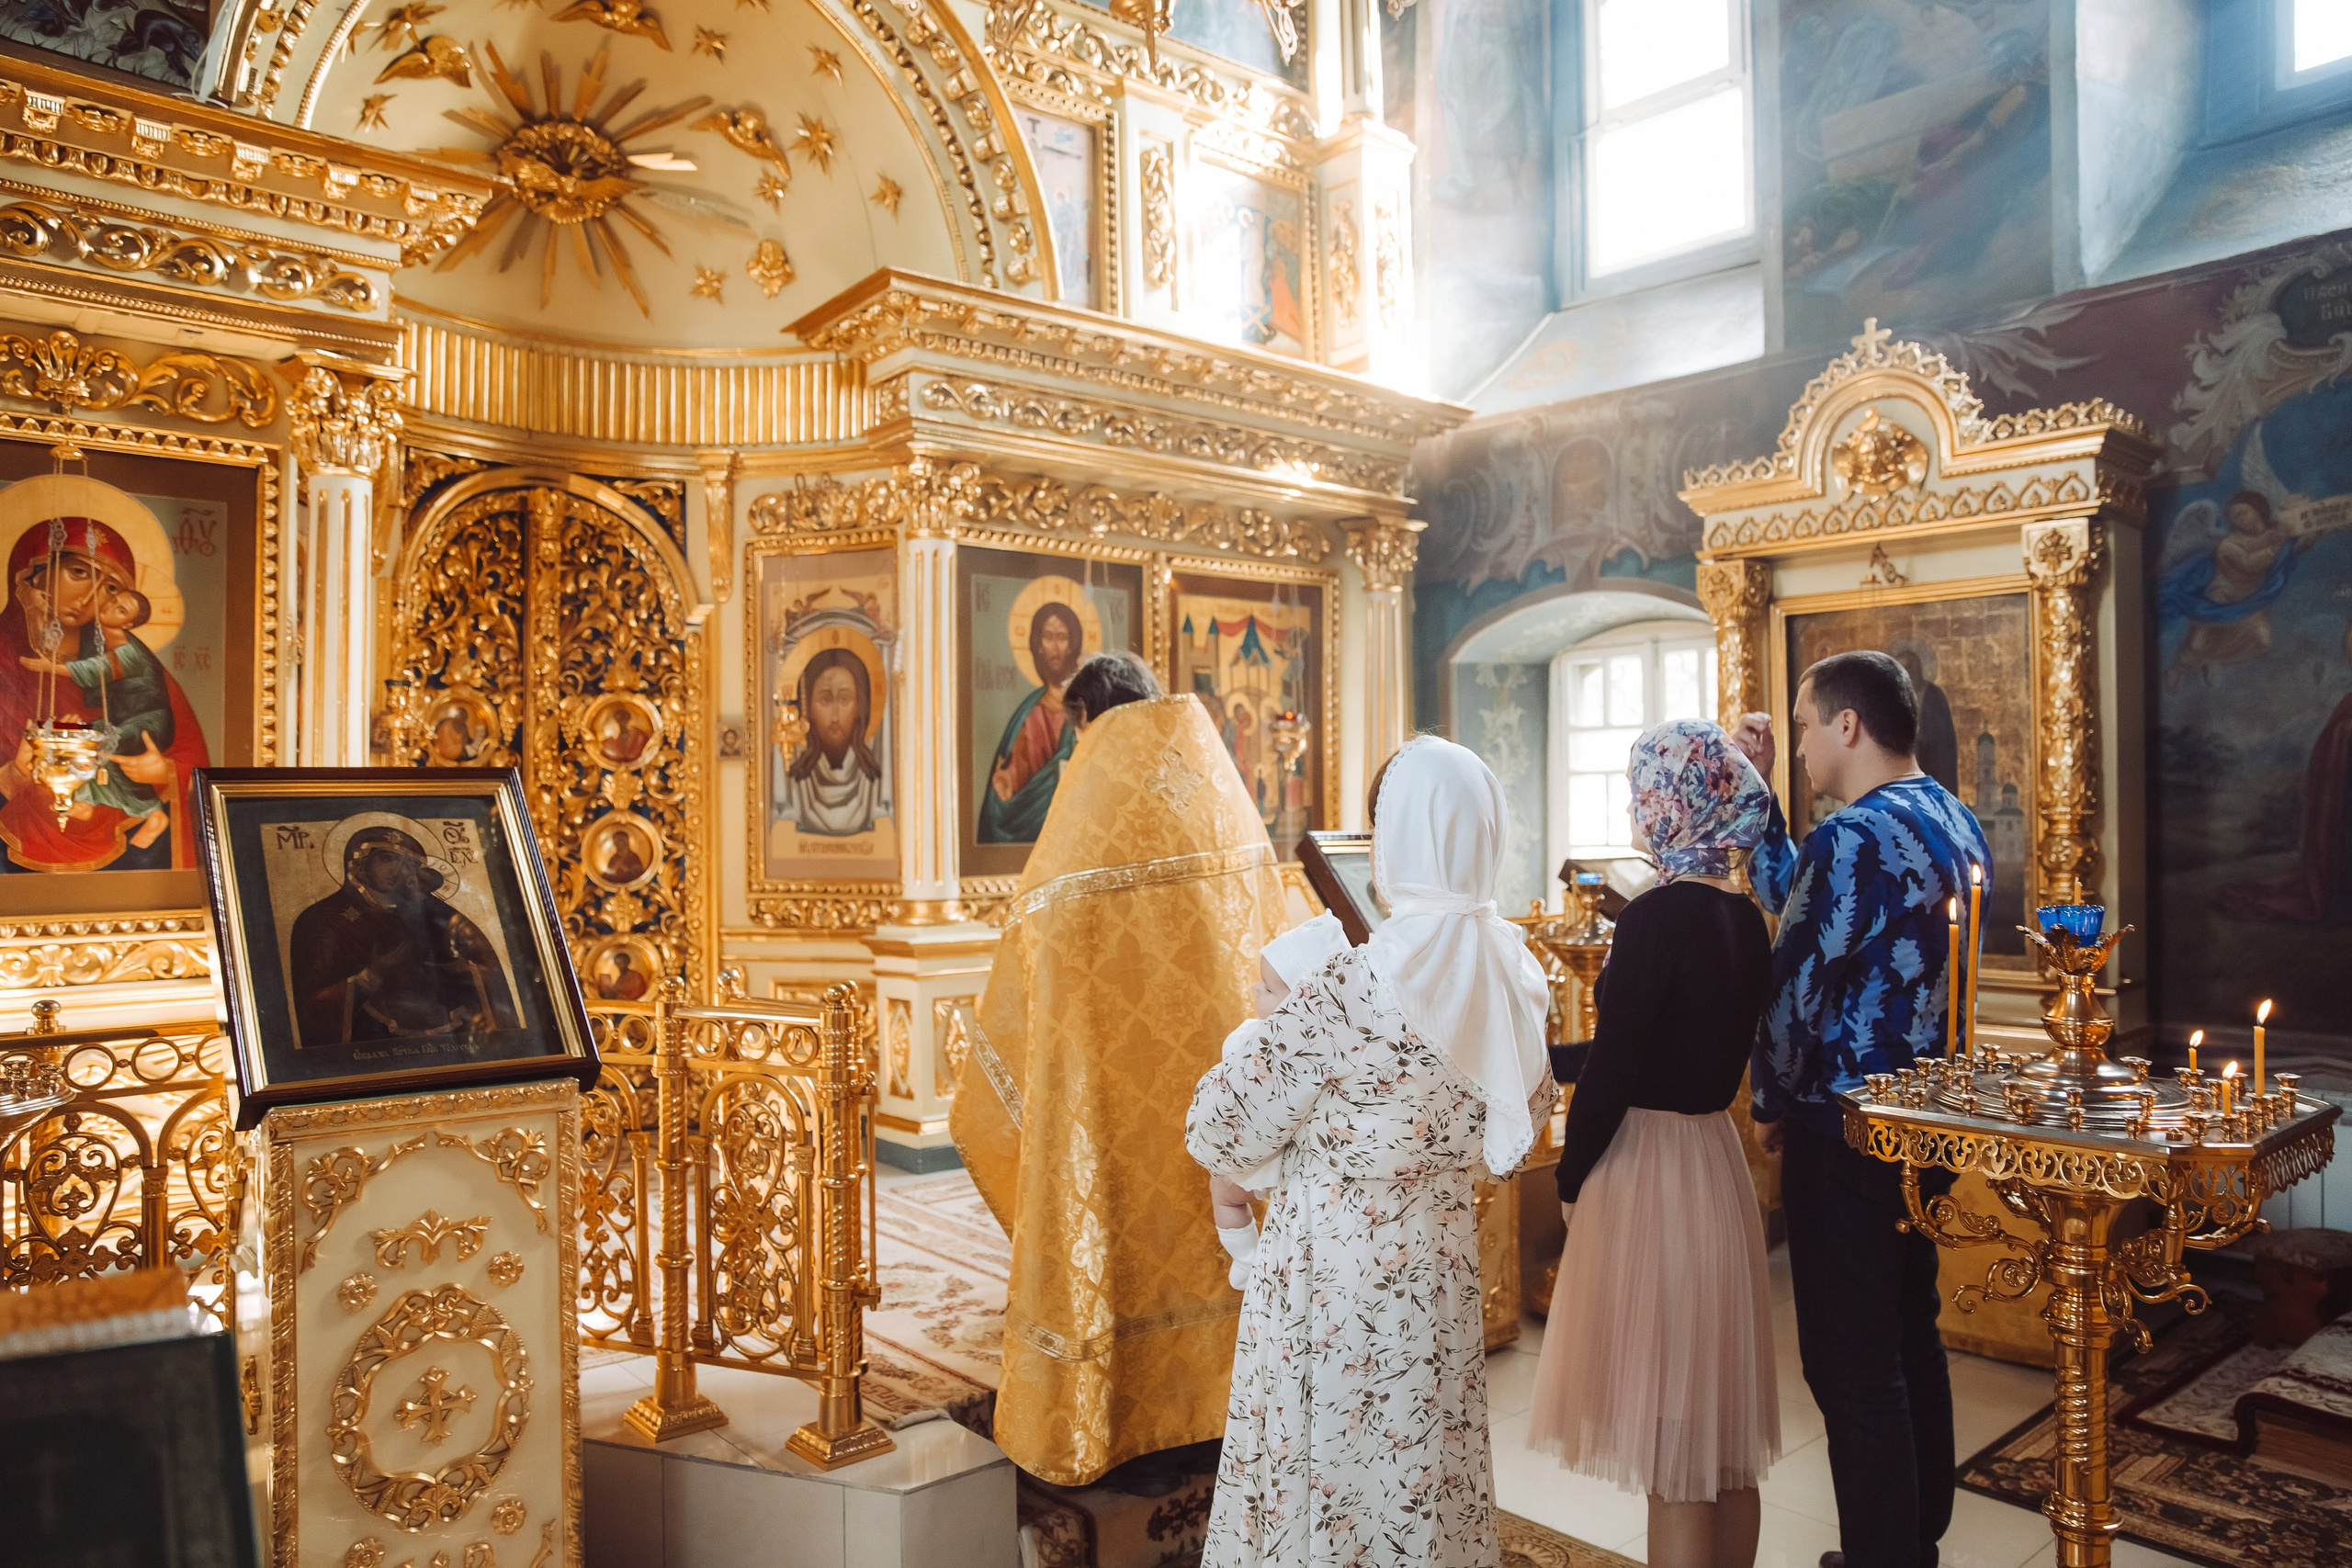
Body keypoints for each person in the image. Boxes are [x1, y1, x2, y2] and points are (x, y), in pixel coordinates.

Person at [1187, 736, 1555, 1568]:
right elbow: (1526, 1117)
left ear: (1399, 839)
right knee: (1422, 1471)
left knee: (1328, 1480)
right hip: (1438, 1261)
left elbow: (1219, 1125)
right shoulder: (1517, 972)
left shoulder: (1359, 983)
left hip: (1334, 1274)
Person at [950, 667, 1290, 1488]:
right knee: (1225, 1244)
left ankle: (1126, 1418)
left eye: (1076, 737)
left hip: (1111, 1108)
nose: (1073, 756)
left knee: (1123, 1242)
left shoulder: (1086, 828)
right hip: (1232, 1096)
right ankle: (1228, 1406)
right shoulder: (1223, 800)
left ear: (1092, 718)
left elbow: (1033, 943)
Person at [1732, 650, 1990, 1568]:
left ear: (1846, 726)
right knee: (1906, 1329)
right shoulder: (1950, 818)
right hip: (1928, 1120)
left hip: (1843, 1125)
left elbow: (1795, 983)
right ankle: (1913, 1534)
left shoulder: (1853, 837)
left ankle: (1884, 1556)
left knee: (1849, 1361)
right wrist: (1761, 799)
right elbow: (1801, 900)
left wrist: (1768, 1098)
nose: (1798, 745)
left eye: (1802, 726)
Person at [1526, 718, 1780, 1568]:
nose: (1636, 805)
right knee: (1720, 1435)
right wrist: (1553, 1058)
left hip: (1650, 1173)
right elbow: (1653, 1040)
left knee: (1674, 1446)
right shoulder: (1745, 919)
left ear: (1674, 802)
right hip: (1712, 1163)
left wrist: (1570, 1174)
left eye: (1643, 789)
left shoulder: (1653, 917)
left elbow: (1621, 1066)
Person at [0, 515, 208, 872]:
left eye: (111, 588)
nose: (89, 597)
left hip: (127, 858)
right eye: (79, 572)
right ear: (33, 571)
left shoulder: (128, 657)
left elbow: (191, 755)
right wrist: (15, 774)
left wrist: (165, 772)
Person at [288, 826, 522, 1050]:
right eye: (387, 859)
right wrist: (370, 976)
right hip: (369, 1045)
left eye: (408, 864)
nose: (397, 871)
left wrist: (466, 971)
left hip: (447, 1037)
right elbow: (312, 1004)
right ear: (362, 862)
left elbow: (487, 965)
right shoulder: (324, 919)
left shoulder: (431, 912)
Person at [18, 584, 174, 848]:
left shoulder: (131, 651)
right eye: (113, 601)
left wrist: (52, 668)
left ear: (129, 623)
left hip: (151, 719)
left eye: (121, 610)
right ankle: (99, 804)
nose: (111, 607)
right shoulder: (98, 637)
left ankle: (139, 810)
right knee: (89, 743)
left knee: (105, 746)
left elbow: (99, 669)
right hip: (124, 718)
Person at [977, 601, 1085, 843]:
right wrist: (1005, 795)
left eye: (1062, 637)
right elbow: (1015, 779)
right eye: (1048, 637)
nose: (1055, 647)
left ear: (1072, 644)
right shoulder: (1029, 715)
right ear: (1038, 645)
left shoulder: (1087, 710)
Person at [781, 648, 884, 837]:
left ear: (859, 706)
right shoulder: (795, 789)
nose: (835, 717)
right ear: (808, 708)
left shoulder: (875, 787)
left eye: (845, 700)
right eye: (825, 700)